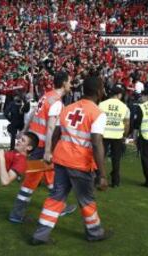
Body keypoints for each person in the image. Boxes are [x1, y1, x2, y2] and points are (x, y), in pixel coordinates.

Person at [31, 76, 112, 245]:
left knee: (55, 198)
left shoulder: (68, 108)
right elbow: (97, 143)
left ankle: (40, 235)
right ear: (99, 91)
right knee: (86, 200)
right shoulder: (97, 113)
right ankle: (95, 233)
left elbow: (56, 134)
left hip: (61, 160)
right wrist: (102, 174)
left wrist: (51, 153)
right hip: (80, 164)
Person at [9, 71, 76, 224]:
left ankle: (60, 206)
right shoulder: (57, 102)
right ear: (64, 83)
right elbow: (51, 128)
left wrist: (24, 131)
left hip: (36, 143)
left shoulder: (46, 96)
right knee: (30, 183)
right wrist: (47, 150)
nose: (71, 84)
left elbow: (33, 114)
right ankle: (16, 214)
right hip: (41, 147)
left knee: (52, 175)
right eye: (70, 81)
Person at [99, 84, 130, 187]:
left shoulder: (102, 104)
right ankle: (115, 182)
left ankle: (99, 179)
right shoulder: (124, 107)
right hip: (117, 135)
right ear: (119, 94)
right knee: (116, 159)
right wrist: (125, 135)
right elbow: (126, 123)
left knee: (100, 157)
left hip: (103, 134)